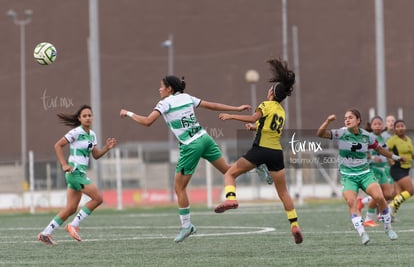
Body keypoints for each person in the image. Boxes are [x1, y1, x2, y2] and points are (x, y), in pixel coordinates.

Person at [120, 75, 251, 243]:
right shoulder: (187, 97)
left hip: (191, 145)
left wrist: (128, 113)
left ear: (169, 89)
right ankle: (253, 164)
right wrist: (237, 109)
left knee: (179, 188)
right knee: (229, 171)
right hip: (205, 138)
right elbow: (213, 105)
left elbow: (147, 122)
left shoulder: (164, 103)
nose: (159, 89)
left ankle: (187, 225)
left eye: (161, 86)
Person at [213, 58, 303, 245]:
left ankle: (231, 199)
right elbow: (270, 129)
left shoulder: (266, 104)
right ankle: (294, 224)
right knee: (283, 192)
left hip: (260, 150)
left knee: (230, 173)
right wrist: (255, 128)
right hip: (276, 153)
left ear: (272, 92)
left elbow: (255, 117)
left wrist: (231, 116)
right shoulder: (281, 111)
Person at [317, 109, 401, 245]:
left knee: (380, 197)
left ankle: (388, 228)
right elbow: (320, 133)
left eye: (350, 117)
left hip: (365, 173)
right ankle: (362, 233)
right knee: (352, 202)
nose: (347, 120)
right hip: (348, 176)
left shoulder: (367, 136)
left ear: (358, 120)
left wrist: (395, 157)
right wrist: (327, 121)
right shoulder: (341, 133)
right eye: (345, 118)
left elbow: (379, 149)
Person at [37, 105, 117, 245]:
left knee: (71, 208)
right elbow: (57, 145)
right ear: (79, 118)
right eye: (84, 116)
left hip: (79, 174)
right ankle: (73, 225)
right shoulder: (76, 132)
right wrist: (64, 164)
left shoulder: (92, 134)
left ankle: (45, 234)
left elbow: (96, 155)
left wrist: (107, 148)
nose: (87, 118)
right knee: (98, 198)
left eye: (89, 115)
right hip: (75, 173)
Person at [360, 116, 395, 227]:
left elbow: (386, 151)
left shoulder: (384, 139)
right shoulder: (368, 138)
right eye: (375, 124)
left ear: (383, 126)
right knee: (378, 195)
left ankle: (368, 205)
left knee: (389, 194)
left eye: (380, 124)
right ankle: (369, 219)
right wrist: (373, 158)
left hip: (383, 169)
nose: (378, 126)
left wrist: (390, 159)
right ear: (371, 126)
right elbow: (363, 152)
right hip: (373, 169)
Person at [387, 119, 414, 220]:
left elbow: (411, 154)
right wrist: (390, 160)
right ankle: (391, 206)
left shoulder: (408, 139)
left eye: (402, 126)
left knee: (398, 194)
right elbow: (385, 150)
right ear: (394, 129)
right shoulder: (393, 140)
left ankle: (391, 216)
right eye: (398, 126)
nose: (400, 128)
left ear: (405, 127)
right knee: (411, 191)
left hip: (406, 168)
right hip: (397, 168)